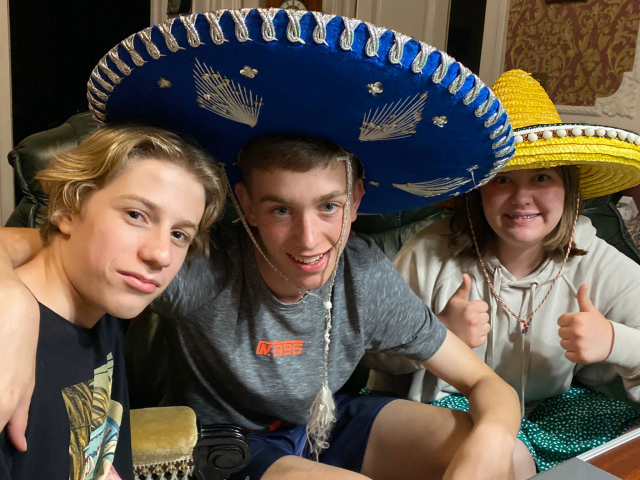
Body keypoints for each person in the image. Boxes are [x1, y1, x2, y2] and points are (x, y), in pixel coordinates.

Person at [0, 10, 528, 480]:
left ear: (356, 200)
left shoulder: (363, 274)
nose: (309, 239)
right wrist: (14, 305)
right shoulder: (193, 262)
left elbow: (489, 386)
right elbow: (41, 246)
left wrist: (491, 437)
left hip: (323, 422)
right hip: (228, 443)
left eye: (328, 206)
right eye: (280, 210)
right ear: (246, 205)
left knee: (513, 457)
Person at [366, 69, 640, 473]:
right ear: (478, 190)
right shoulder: (426, 254)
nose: (521, 198)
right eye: (503, 179)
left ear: (568, 188)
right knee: (507, 459)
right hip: (452, 409)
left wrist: (617, 341)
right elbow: (370, 353)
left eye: (542, 177)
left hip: (557, 413)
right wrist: (435, 335)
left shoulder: (596, 260)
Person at [0, 125, 226, 479]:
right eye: (136, 215)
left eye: (179, 234)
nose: (161, 255)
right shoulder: (8, 338)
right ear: (68, 210)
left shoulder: (102, 307)